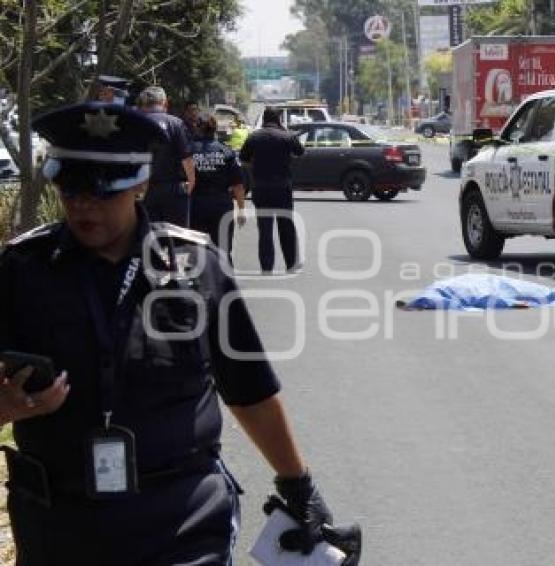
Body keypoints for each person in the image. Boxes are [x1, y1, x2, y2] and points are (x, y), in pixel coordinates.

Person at [0, 102, 357, 564]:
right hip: (60, 524)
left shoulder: (198, 266)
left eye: (102, 191)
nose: (83, 205)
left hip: (182, 521)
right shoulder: (21, 271)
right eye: (71, 189)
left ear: (141, 186)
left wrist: (298, 483)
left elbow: (248, 388)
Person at [239, 108, 304, 273]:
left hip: (261, 187)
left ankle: (266, 267)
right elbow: (300, 152)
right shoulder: (287, 136)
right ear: (279, 120)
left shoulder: (254, 137)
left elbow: (243, 159)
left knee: (265, 229)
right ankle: (291, 264)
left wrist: (256, 168)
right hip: (282, 187)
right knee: (286, 226)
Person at [190, 112, 246, 262]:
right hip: (221, 206)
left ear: (197, 128)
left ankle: (202, 282)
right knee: (223, 250)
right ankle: (225, 283)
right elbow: (238, 184)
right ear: (215, 129)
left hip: (195, 206)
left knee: (196, 251)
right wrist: (241, 209)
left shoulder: (188, 151)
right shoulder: (226, 151)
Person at [138, 86, 196, 227]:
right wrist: (192, 181)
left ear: (143, 104)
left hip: (144, 190)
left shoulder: (136, 124)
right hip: (174, 189)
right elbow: (186, 158)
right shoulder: (176, 123)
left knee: (148, 237)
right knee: (178, 239)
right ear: (165, 103)